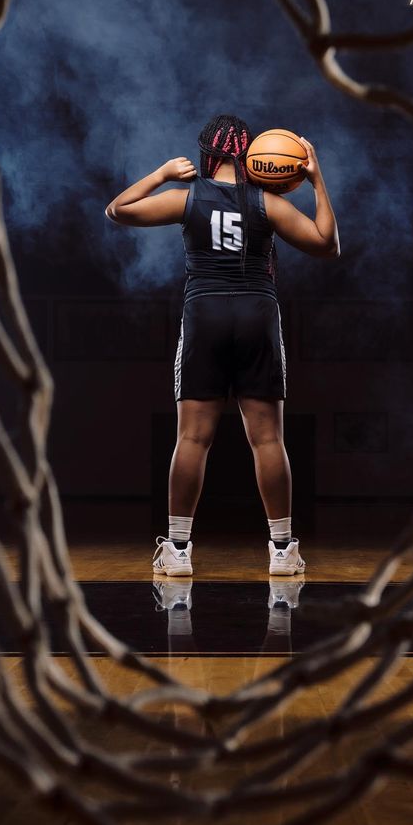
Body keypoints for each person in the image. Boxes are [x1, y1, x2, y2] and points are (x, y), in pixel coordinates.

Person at [105, 113, 339, 577]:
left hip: (205, 315)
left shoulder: (187, 197)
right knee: (268, 437)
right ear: (250, 152)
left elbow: (119, 210)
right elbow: (326, 243)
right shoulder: (267, 204)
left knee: (192, 437)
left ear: (207, 152)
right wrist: (316, 179)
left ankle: (177, 550)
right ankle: (282, 550)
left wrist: (161, 175)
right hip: (257, 313)